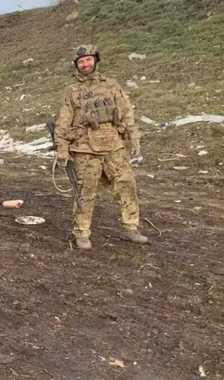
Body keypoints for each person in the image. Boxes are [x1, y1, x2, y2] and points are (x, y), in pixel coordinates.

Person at [54, 44, 149, 250]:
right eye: (81, 62)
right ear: (76, 66)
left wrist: (134, 139)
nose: (85, 64)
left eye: (88, 60)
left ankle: (131, 227)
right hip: (84, 148)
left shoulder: (112, 86)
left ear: (95, 60)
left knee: (126, 186)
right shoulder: (72, 91)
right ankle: (82, 232)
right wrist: (62, 149)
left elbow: (126, 113)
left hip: (113, 145)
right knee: (85, 191)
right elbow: (63, 121)